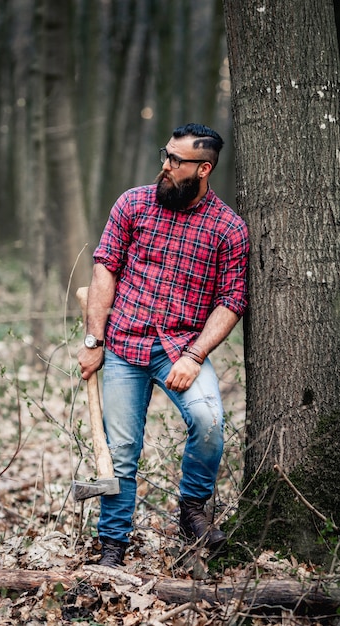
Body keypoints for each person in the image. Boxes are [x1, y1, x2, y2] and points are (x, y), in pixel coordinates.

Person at [78, 123, 249, 568]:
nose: (166, 166)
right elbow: (104, 268)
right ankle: (112, 546)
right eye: (166, 155)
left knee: (210, 419)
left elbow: (232, 300)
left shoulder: (228, 229)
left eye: (177, 160)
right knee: (120, 452)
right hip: (122, 345)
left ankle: (192, 509)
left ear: (204, 168)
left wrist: (195, 356)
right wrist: (94, 340)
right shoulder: (133, 203)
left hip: (180, 348)